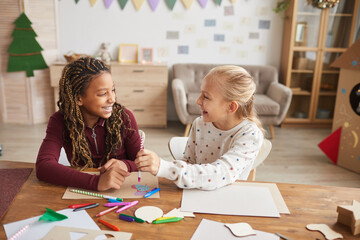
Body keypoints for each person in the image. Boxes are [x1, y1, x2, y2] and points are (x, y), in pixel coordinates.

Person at [135, 65, 264, 190]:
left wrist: (164, 167)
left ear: (231, 107)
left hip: (228, 200)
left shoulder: (250, 135)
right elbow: (189, 163)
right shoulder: (200, 123)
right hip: (195, 195)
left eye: (206, 96)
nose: (197, 101)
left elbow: (221, 174)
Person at [36, 57, 141, 191]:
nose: (112, 99)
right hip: (85, 192)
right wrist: (95, 182)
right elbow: (43, 166)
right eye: (103, 93)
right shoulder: (60, 120)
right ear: (79, 98)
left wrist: (125, 165)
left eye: (113, 90)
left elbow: (141, 163)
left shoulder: (124, 117)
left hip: (123, 191)